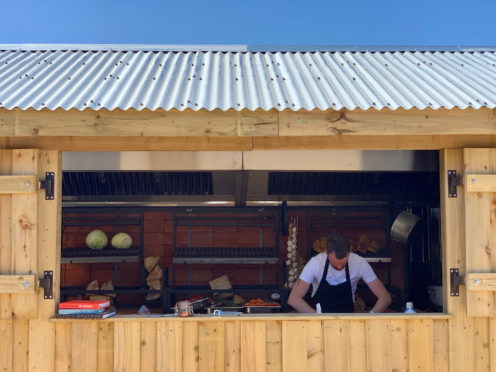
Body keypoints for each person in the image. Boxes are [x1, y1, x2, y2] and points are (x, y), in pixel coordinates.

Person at [288, 233, 392, 313]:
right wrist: (316, 317)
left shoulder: (359, 263)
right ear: (327, 253)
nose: (339, 267)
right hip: (318, 323)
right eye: (335, 264)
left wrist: (371, 317)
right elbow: (293, 299)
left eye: (343, 264)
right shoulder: (315, 263)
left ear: (349, 252)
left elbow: (385, 297)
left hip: (347, 322)